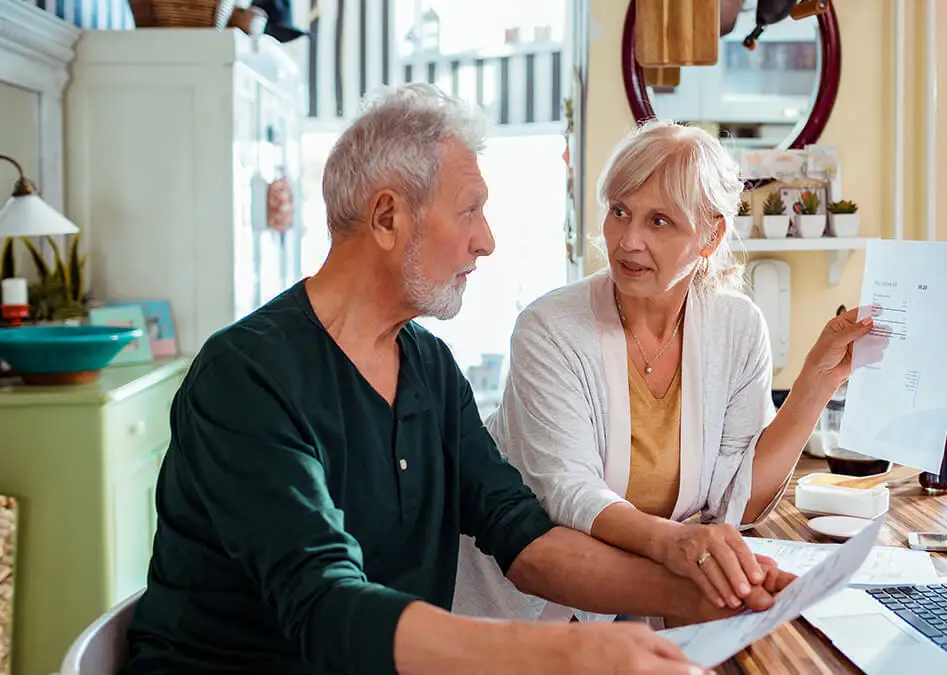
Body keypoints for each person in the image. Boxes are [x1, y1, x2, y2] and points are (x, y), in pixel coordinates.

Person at [120, 85, 796, 675]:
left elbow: (523, 536)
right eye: (469, 210)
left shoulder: (428, 368)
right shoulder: (246, 377)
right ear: (388, 218)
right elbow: (324, 605)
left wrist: (698, 590)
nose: (487, 240)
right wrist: (562, 655)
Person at [454, 120, 884, 622]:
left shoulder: (737, 328)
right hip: (526, 615)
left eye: (659, 221)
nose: (628, 240)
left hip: (645, 606)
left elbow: (735, 501)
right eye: (619, 212)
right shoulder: (549, 329)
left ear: (711, 234)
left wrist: (819, 379)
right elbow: (567, 492)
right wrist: (679, 543)